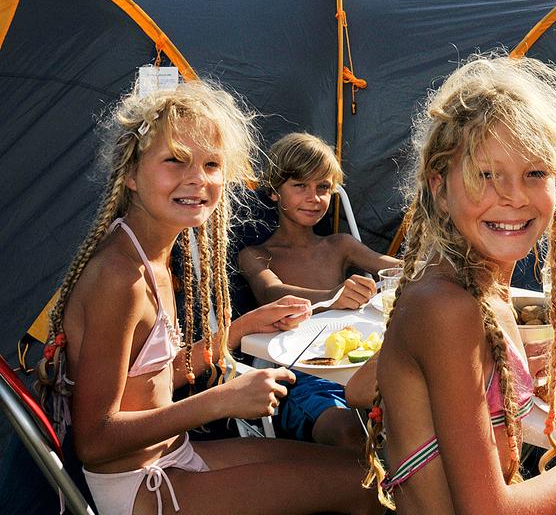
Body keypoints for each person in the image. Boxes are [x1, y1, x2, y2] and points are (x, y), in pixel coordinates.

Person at [36, 81, 379, 515]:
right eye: (176, 161)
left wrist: (238, 331)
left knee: (361, 467)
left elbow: (150, 381)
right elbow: (95, 441)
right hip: (142, 488)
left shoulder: (152, 254)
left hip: (173, 459)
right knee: (366, 487)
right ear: (130, 174)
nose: (197, 179)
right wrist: (220, 401)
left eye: (212, 164)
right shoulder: (119, 278)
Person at [362, 54, 556, 513]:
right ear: (439, 186)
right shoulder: (448, 308)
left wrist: (508, 373)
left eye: (534, 173)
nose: (514, 196)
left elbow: (371, 388)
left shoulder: (480, 291)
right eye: (486, 174)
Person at [238, 132, 399, 447]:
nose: (314, 198)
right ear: (274, 193)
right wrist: (333, 297)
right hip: (298, 375)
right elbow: (273, 293)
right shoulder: (256, 255)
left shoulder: (339, 245)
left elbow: (393, 267)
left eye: (323, 187)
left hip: (360, 366)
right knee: (347, 432)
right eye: (300, 186)